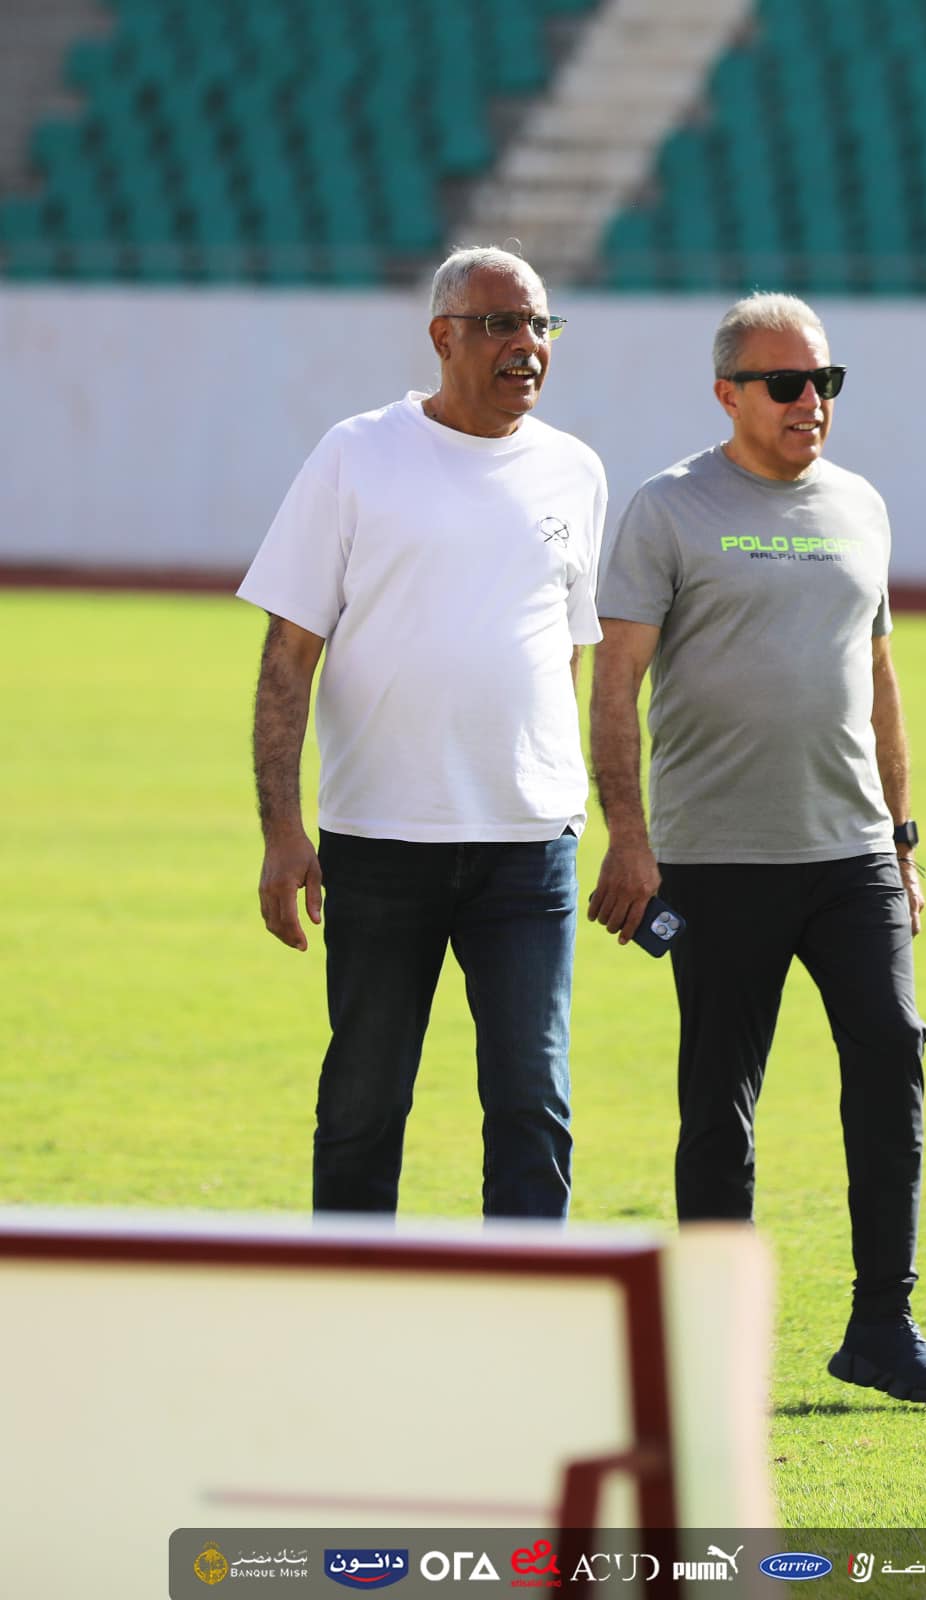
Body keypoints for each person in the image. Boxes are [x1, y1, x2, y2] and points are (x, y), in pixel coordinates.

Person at [588, 291, 926, 1403]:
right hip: (715, 859)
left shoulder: (860, 505)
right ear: (727, 393)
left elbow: (880, 681)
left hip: (851, 854)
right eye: (786, 383)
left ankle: (883, 1326)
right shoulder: (668, 508)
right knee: (720, 1101)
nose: (812, 402)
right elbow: (614, 685)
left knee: (891, 1054)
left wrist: (901, 841)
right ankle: (712, 1348)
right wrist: (630, 839)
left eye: (825, 382)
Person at [238, 245, 607, 1218]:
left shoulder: (575, 471)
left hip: (528, 846)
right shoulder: (356, 454)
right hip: (380, 840)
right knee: (364, 1104)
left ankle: (524, 1300)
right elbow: (287, 657)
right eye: (500, 324)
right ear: (443, 336)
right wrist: (282, 830)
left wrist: (566, 796)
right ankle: (354, 1292)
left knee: (533, 1102)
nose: (527, 344)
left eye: (540, 324)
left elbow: (564, 654)